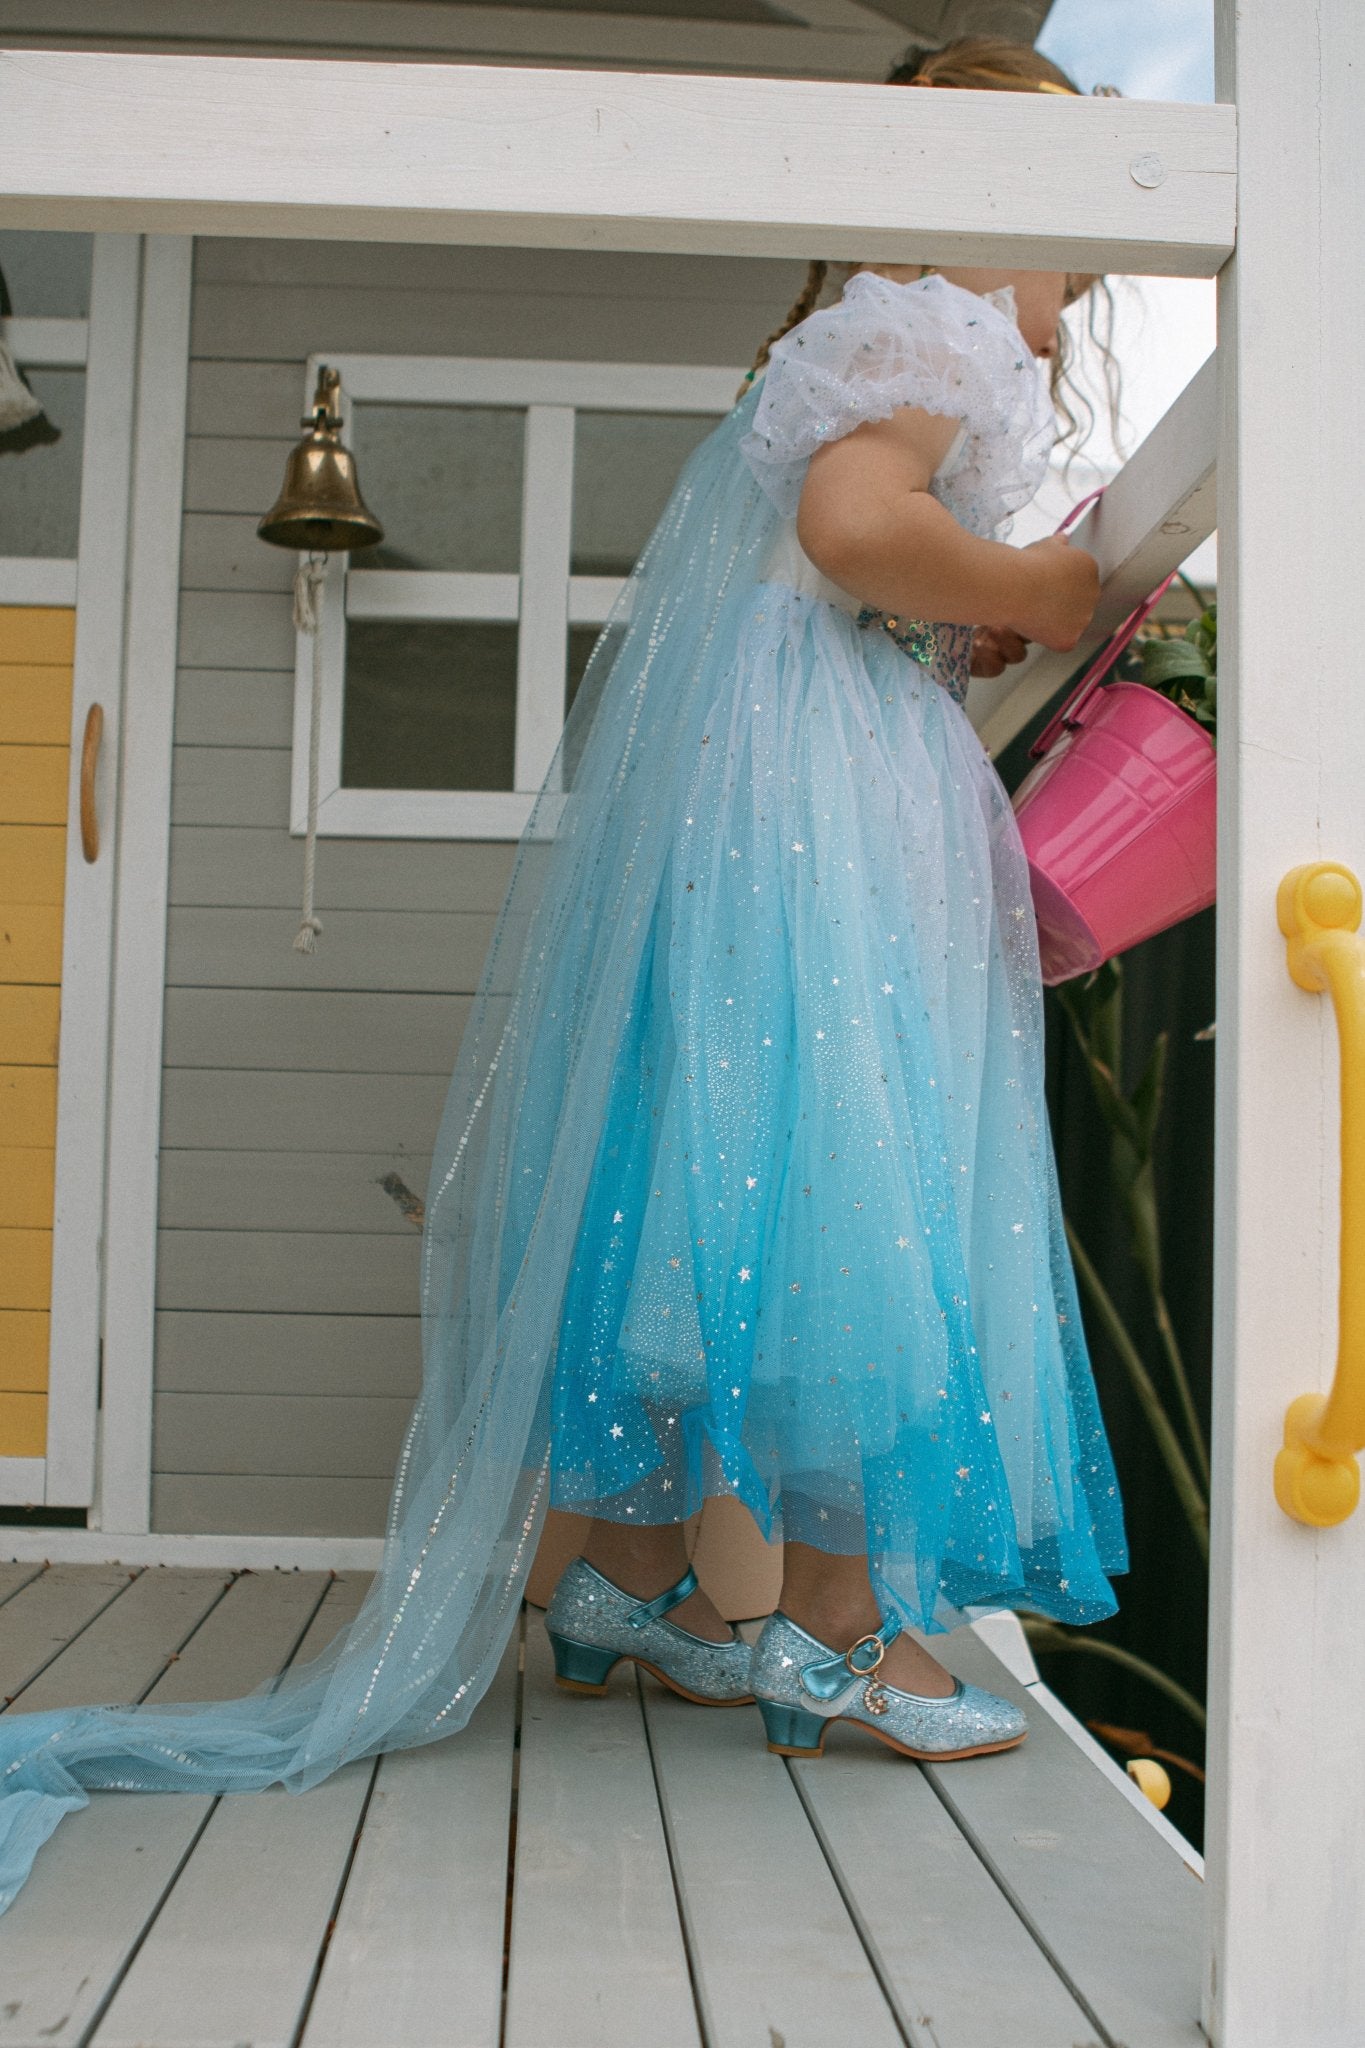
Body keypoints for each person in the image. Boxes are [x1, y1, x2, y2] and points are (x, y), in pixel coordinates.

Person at [0, 34, 1128, 1914]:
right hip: (823, 792)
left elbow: (838, 555)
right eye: (1065, 219)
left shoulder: (847, 330)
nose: (1078, 273)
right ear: (982, 207)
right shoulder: (940, 319)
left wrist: (957, 606)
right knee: (847, 1162)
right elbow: (858, 529)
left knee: (704, 1156)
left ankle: (621, 1577)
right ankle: (830, 1632)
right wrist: (1047, 590)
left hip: (755, 781)